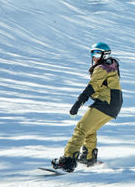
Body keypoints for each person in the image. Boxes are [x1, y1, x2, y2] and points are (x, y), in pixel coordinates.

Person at [51, 42, 123, 172]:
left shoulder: (102, 67)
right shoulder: (110, 66)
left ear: (105, 54)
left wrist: (78, 103)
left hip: (106, 103)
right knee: (89, 130)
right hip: (112, 104)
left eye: (97, 53)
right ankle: (88, 158)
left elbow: (92, 86)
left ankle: (68, 161)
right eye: (92, 53)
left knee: (81, 129)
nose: (94, 56)